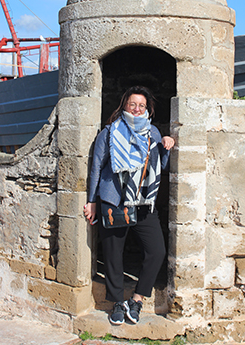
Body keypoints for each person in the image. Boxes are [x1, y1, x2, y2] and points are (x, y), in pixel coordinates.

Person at [84, 86, 175, 326]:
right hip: (114, 200)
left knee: (157, 251)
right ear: (124, 105)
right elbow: (96, 168)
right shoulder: (109, 133)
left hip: (143, 201)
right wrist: (92, 201)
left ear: (148, 109)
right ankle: (116, 303)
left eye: (141, 106)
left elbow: (161, 167)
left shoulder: (152, 132)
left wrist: (166, 144)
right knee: (113, 255)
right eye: (133, 104)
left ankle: (136, 299)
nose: (137, 109)